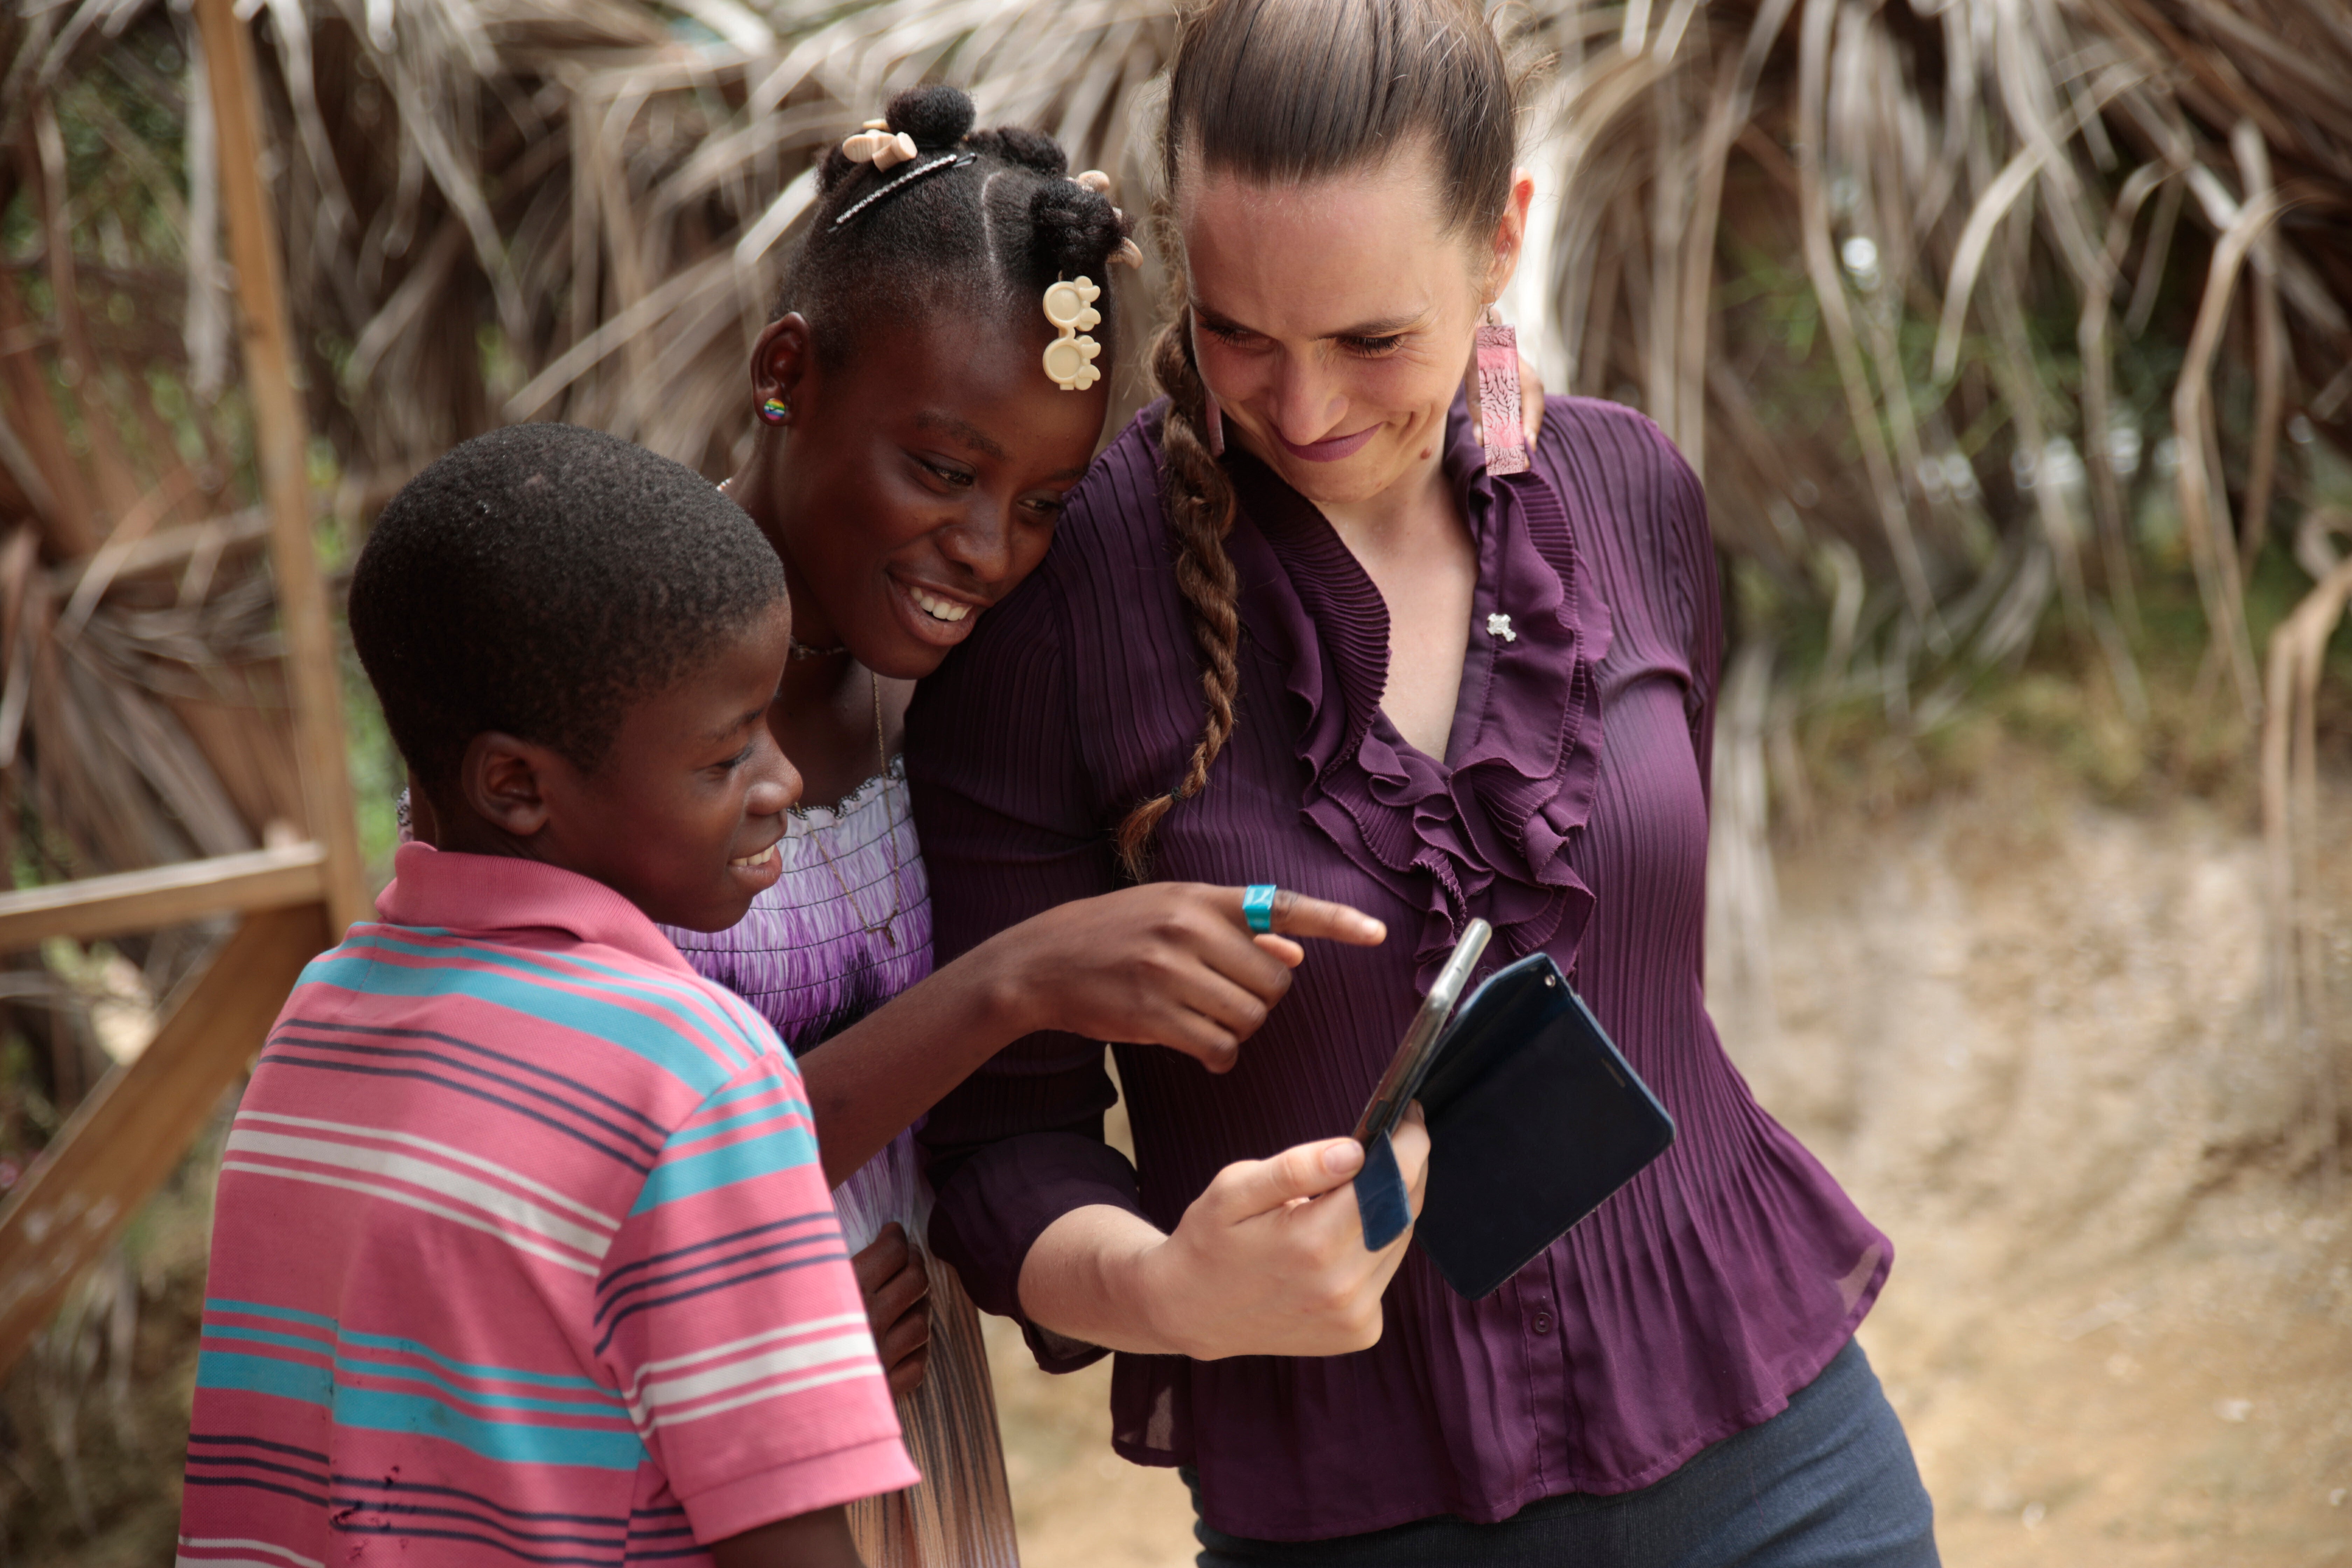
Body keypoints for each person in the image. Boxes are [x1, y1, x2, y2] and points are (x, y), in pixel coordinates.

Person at [905, 1, 1941, 1563]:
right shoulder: (1055, 603)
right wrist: (1167, 1287)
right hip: (1352, 1513)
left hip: (1785, 1467)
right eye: (1240, 331)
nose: (1306, 411)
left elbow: (1654, 980)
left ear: (1503, 237)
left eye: (1373, 339)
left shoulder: (1635, 492)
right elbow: (995, 1147)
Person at [666, 84, 1387, 1567]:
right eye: (941, 471)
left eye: (1047, 501)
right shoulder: (609, 687)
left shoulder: (939, 696)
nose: (989, 553)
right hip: (657, 1443)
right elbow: (600, 1151)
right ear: (787, 373)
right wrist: (1026, 979)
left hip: (890, 1411)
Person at [181, 424, 915, 1568]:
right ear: (517, 787)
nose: (782, 781)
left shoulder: (315, 1030)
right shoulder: (697, 1076)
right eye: (725, 756)